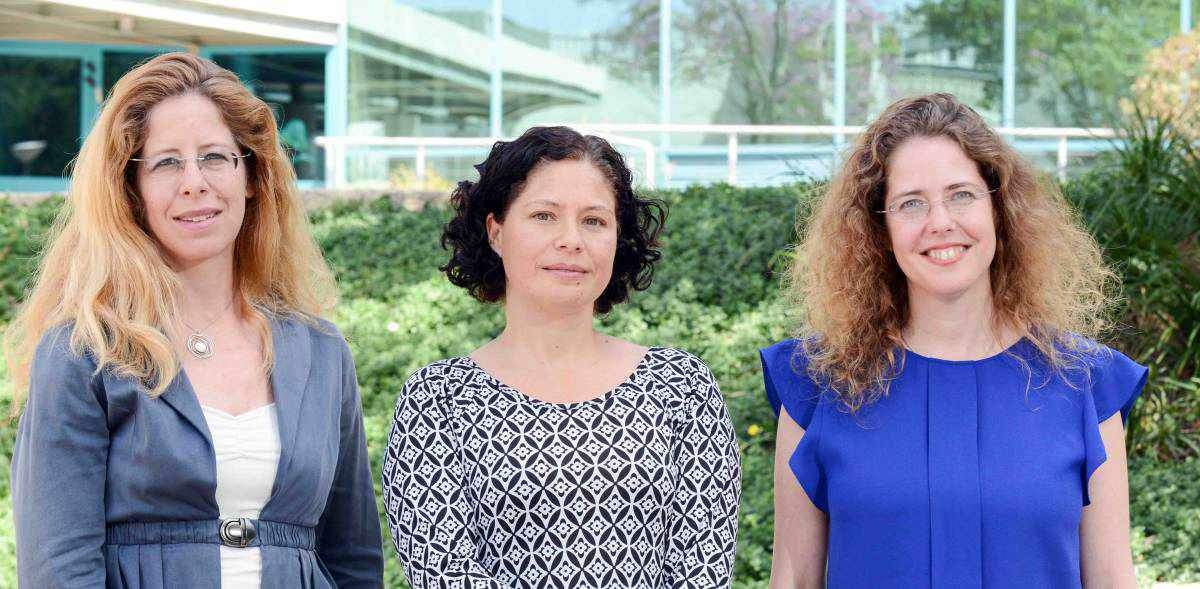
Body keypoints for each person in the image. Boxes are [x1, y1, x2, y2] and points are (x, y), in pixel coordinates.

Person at [6, 52, 383, 588]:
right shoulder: (84, 352)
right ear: (129, 192)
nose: (194, 183)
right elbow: (57, 569)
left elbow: (354, 559)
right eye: (165, 163)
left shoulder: (321, 352)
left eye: (214, 157)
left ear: (251, 176)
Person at [764, 93, 1145, 588]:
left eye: (961, 194)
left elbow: (1114, 580)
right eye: (910, 203)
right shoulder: (816, 382)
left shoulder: (1087, 384)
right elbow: (792, 582)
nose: (940, 221)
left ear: (999, 209)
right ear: (879, 230)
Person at [381, 126, 742, 588]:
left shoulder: (681, 388)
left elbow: (701, 573)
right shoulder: (438, 401)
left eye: (594, 221)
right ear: (495, 231)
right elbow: (446, 575)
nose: (571, 240)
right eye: (544, 215)